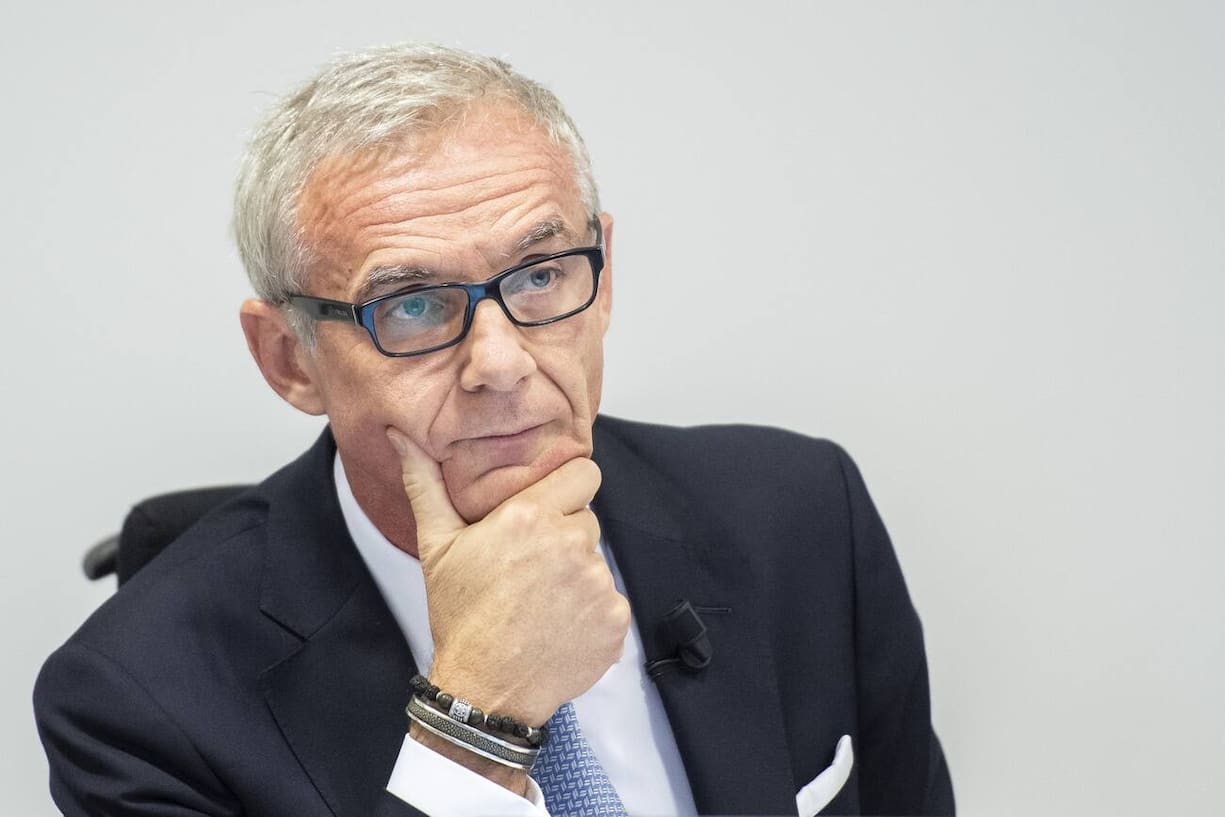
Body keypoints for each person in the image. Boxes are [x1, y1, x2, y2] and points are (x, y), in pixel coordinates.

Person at [34, 43, 953, 817]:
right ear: (289, 360)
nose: (501, 362)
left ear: (602, 276)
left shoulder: (799, 516)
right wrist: (476, 720)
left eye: (541, 275)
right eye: (412, 304)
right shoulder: (135, 704)